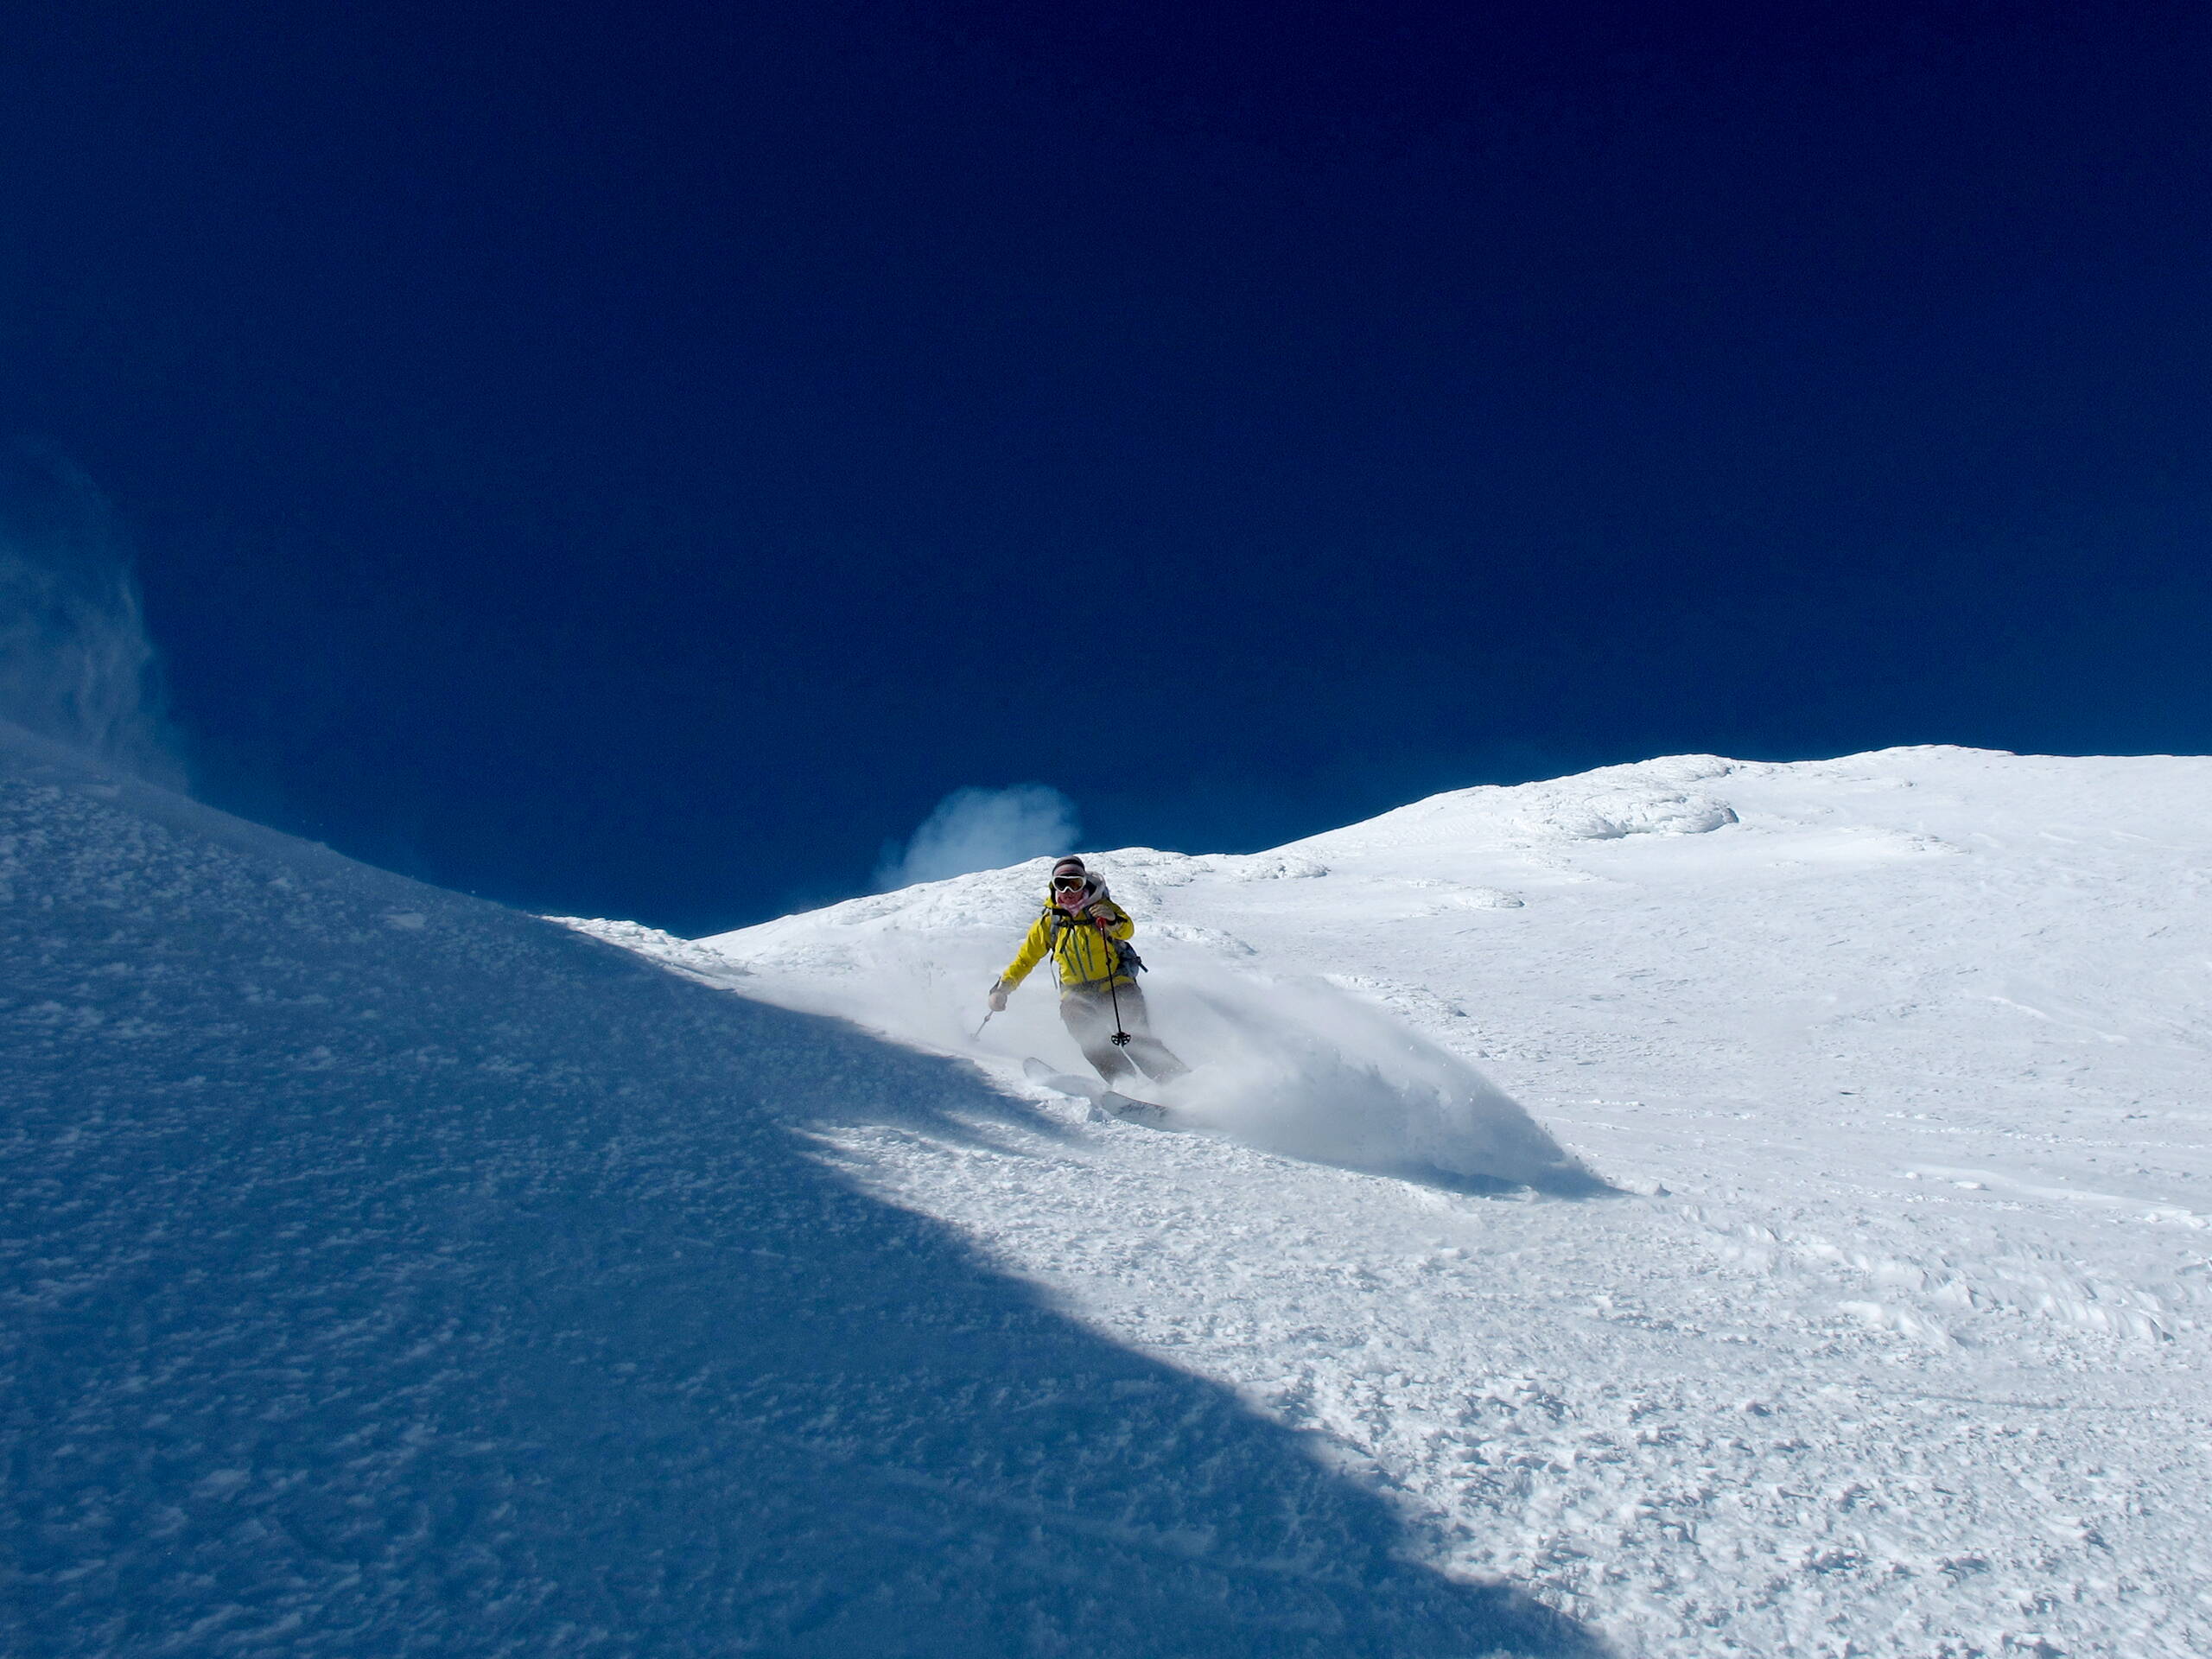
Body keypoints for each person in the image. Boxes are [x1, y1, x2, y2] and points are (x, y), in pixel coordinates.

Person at [988, 855, 1189, 1088]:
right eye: (1060, 884)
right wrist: (1002, 989)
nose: (1068, 891)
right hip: (1076, 994)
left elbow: (1126, 930)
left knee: (1136, 1039)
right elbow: (1025, 960)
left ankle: (1181, 1083)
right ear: (1053, 886)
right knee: (1091, 1042)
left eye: (1074, 884)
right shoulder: (1049, 923)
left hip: (1115, 984)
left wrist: (1112, 919)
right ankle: (1126, 1085)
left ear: (1084, 883)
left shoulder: (1100, 909)